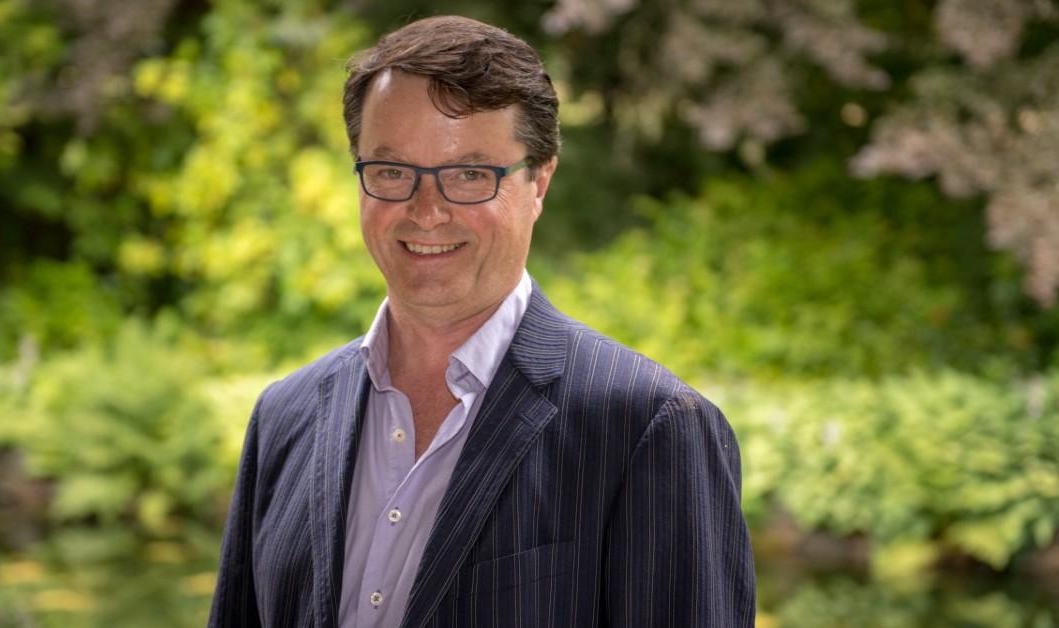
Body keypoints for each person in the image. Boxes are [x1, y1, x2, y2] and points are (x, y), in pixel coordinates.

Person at [208, 15, 755, 628]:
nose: (427, 211)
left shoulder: (649, 429)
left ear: (538, 181)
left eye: (470, 174)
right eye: (392, 171)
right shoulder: (284, 417)